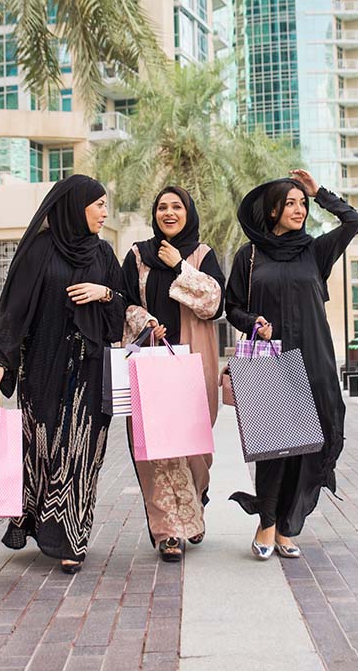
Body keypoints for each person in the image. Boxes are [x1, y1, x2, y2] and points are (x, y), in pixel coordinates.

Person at [0, 174, 125, 574]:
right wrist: (0, 362)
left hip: (90, 372)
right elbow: (14, 309)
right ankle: (40, 523)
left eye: (104, 205)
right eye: (97, 204)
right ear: (74, 206)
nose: (103, 212)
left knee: (81, 453)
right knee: (43, 450)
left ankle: (71, 539)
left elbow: (120, 313)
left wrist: (106, 294)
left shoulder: (103, 255)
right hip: (42, 370)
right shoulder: (40, 251)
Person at [224, 169, 358, 559]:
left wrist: (319, 193)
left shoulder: (315, 251)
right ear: (272, 212)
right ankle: (267, 523)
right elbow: (231, 306)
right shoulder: (249, 256)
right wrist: (254, 322)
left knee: (308, 449)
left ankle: (288, 525)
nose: (299, 210)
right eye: (291, 203)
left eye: (302, 204)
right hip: (271, 362)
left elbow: (354, 221)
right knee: (275, 449)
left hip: (314, 358)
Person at [121, 186, 226, 561]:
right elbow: (124, 302)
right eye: (162, 207)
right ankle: (168, 531)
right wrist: (145, 321)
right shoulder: (137, 255)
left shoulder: (202, 254)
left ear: (188, 212)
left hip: (192, 363)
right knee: (154, 448)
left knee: (193, 444)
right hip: (150, 360)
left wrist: (180, 266)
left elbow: (214, 304)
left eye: (176, 206)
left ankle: (194, 505)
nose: (169, 212)